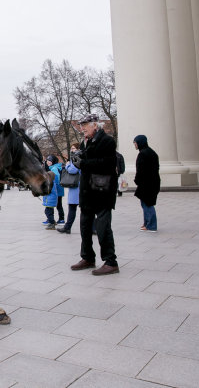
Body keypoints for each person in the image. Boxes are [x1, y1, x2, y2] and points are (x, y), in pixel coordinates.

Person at [70, 114, 119, 276]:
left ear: (95, 126)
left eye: (85, 125)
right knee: (85, 226)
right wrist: (80, 157)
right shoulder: (87, 142)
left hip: (102, 190)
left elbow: (107, 163)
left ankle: (110, 261)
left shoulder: (107, 141)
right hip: (88, 192)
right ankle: (88, 258)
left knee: (103, 227)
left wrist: (83, 162)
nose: (82, 129)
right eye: (81, 126)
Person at [133, 134, 160, 232]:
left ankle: (151, 225)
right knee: (147, 203)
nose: (134, 145)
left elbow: (140, 170)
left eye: (135, 143)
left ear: (140, 143)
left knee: (147, 204)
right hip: (153, 182)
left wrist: (137, 180)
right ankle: (146, 224)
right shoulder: (152, 152)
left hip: (146, 183)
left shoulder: (143, 154)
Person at [58, 143, 81, 234]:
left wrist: (67, 165)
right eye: (71, 148)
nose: (72, 150)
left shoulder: (76, 157)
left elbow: (73, 169)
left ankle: (67, 227)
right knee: (85, 209)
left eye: (73, 148)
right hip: (78, 185)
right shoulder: (80, 156)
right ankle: (93, 228)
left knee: (72, 207)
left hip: (76, 185)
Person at [42, 155, 60, 230]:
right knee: (49, 211)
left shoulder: (54, 169)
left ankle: (52, 223)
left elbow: (56, 178)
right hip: (50, 198)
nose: (48, 162)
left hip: (50, 198)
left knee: (48, 211)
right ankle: (52, 221)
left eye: (50, 160)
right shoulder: (50, 169)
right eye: (47, 160)